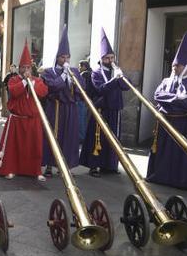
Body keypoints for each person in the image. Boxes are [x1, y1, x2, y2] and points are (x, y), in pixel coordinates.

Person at [145, 32, 187, 189]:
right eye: (173, 65)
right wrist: (177, 98)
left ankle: (182, 181)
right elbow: (157, 95)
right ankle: (160, 176)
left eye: (178, 65)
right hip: (166, 122)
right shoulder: (166, 81)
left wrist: (172, 101)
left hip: (184, 123)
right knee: (164, 152)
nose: (174, 67)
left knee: (182, 153)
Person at [0, 40, 48, 181]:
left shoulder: (37, 80)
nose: (26, 70)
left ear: (31, 68)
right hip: (17, 119)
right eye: (23, 67)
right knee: (13, 148)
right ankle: (10, 169)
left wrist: (32, 83)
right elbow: (14, 92)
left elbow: (43, 92)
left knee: (34, 147)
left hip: (33, 120)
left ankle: (35, 171)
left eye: (28, 67)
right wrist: (24, 82)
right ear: (19, 68)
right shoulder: (14, 80)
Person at [80, 29, 129, 177]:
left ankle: (110, 165)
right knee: (98, 138)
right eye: (107, 58)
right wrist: (115, 79)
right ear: (102, 59)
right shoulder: (96, 73)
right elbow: (101, 89)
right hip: (101, 109)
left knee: (112, 138)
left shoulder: (116, 71)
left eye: (112, 57)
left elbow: (127, 86)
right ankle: (94, 166)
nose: (110, 60)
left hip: (114, 109)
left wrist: (120, 77)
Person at [41, 26, 84, 177]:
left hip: (70, 109)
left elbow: (81, 90)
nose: (65, 60)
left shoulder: (76, 72)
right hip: (56, 108)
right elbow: (51, 87)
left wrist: (72, 81)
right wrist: (63, 77)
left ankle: (65, 165)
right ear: (57, 57)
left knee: (69, 137)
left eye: (67, 57)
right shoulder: (49, 72)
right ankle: (49, 165)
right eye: (62, 57)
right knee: (53, 135)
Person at [77, 60, 93, 141]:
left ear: (84, 66)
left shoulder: (84, 74)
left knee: (81, 119)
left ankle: (81, 137)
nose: (79, 68)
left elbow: (81, 87)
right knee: (85, 119)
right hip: (89, 99)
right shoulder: (91, 73)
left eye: (80, 66)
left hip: (82, 99)